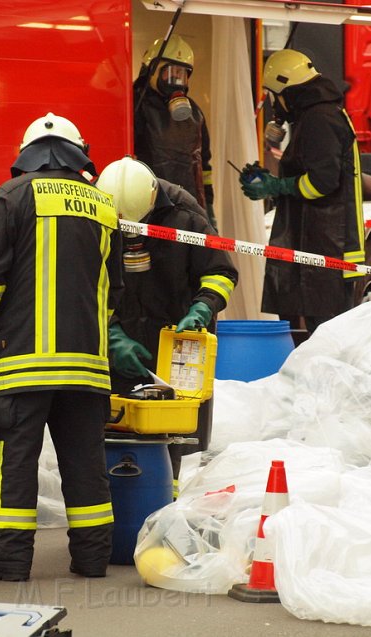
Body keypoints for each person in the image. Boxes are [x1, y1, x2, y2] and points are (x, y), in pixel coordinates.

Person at [0, 112, 123, 581]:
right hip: (87, 368)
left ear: (28, 154)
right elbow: (116, 292)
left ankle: (11, 564)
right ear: (77, 154)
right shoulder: (103, 205)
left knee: (16, 465)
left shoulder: (10, 198)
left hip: (23, 365)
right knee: (86, 465)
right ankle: (92, 561)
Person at [96, 156, 237, 487]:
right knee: (114, 425)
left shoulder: (186, 217)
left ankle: (164, 495)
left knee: (172, 430)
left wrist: (203, 306)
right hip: (119, 337)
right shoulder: (95, 216)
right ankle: (118, 497)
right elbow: (83, 284)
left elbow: (221, 271)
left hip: (175, 335)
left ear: (151, 201)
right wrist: (110, 333)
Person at [240, 49, 364, 333]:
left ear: (286, 90)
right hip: (321, 247)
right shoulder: (318, 115)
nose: (275, 104)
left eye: (274, 95)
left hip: (327, 249)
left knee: (327, 341)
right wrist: (273, 182)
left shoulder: (319, 119)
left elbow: (322, 182)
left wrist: (278, 186)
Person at [133, 34, 215, 227]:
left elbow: (205, 165)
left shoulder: (195, 113)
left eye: (183, 74)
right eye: (170, 73)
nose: (177, 80)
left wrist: (208, 208)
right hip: (150, 206)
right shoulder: (135, 106)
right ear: (151, 71)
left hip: (192, 207)